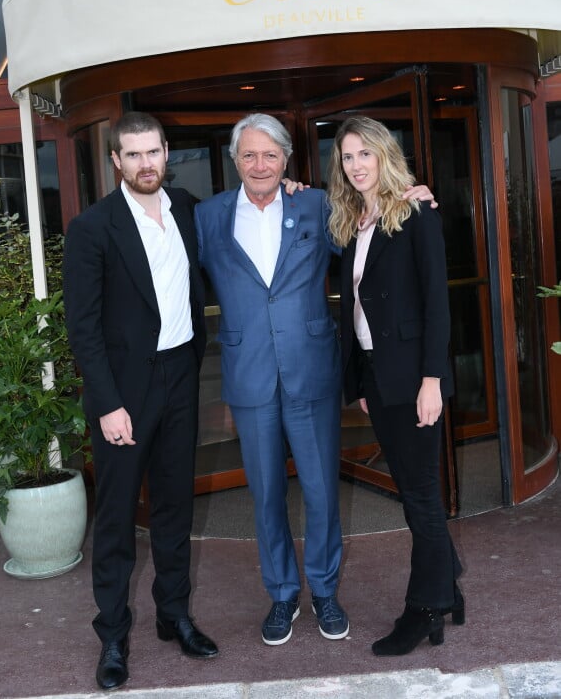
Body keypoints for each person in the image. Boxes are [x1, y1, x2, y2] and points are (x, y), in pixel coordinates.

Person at [194, 112, 433, 647]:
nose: (260, 164)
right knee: (266, 494)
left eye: (271, 155)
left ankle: (324, 591)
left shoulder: (317, 205)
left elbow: (376, 236)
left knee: (323, 490)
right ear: (235, 160)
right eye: (249, 154)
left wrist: (412, 197)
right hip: (249, 377)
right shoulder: (207, 218)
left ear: (287, 161)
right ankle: (282, 595)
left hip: (312, 373)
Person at [63, 111, 218, 692]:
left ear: (166, 152)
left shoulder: (186, 208)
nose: (145, 163)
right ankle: (112, 634)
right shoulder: (92, 228)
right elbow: (82, 327)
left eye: (152, 152)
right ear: (115, 162)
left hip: (180, 374)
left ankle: (174, 616)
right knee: (118, 517)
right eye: (133, 155)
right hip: (124, 391)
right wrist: (106, 403)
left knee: (176, 505)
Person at [327, 114, 464, 657]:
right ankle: (448, 583)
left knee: (421, 499)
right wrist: (363, 377)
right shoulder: (353, 221)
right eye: (347, 157)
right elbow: (360, 311)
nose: (356, 165)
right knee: (413, 493)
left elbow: (436, 303)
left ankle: (426, 608)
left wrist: (433, 379)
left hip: (414, 379)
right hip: (378, 377)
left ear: (384, 154)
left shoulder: (416, 211)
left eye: (365, 153)